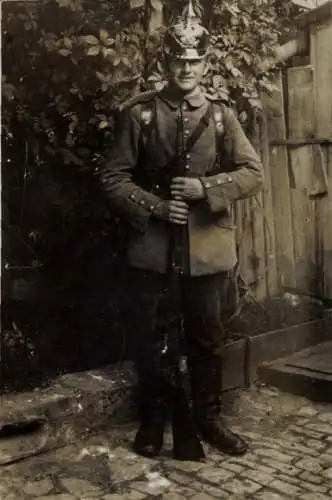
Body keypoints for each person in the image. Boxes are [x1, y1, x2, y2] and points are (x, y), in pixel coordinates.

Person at [100, 3, 263, 460]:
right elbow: (113, 177)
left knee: (207, 335)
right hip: (153, 247)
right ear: (166, 64)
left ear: (206, 64)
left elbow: (252, 173)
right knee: (152, 335)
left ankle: (209, 419)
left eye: (194, 61)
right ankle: (154, 419)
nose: (186, 68)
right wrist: (155, 207)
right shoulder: (140, 116)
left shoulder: (221, 116)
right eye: (178, 60)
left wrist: (204, 188)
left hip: (207, 248)